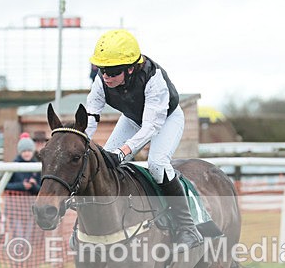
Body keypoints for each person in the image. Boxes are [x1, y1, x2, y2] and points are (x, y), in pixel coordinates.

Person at [85, 29, 201, 250]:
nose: (106, 76)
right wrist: (82, 142)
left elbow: (150, 127)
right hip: (131, 118)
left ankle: (188, 229)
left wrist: (124, 151)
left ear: (130, 68)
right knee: (106, 167)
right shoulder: (102, 81)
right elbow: (91, 116)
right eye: (102, 70)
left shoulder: (153, 79)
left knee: (157, 164)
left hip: (166, 119)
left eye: (112, 71)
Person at [5, 135, 41, 268]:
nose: (26, 153)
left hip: (30, 212)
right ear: (20, 151)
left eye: (29, 150)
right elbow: (5, 186)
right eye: (24, 150)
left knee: (28, 242)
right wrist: (22, 186)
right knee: (18, 241)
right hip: (15, 211)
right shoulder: (13, 165)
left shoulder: (37, 166)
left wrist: (32, 186)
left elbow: (40, 188)